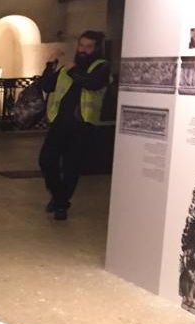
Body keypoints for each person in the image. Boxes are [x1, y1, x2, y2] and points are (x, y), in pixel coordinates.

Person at [39, 31, 110, 221]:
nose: (84, 50)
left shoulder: (101, 67)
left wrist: (72, 71)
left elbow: (93, 84)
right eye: (81, 46)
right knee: (46, 160)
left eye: (89, 47)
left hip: (82, 125)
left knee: (71, 166)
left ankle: (60, 204)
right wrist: (50, 65)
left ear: (97, 48)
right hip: (60, 123)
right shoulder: (68, 67)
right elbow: (46, 86)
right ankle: (60, 199)